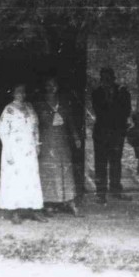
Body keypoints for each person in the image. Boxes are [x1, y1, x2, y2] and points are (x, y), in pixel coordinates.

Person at [0, 83, 47, 224]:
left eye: (24, 92)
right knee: (15, 180)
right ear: (13, 93)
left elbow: (35, 127)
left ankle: (35, 210)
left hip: (29, 149)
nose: (22, 94)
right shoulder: (8, 110)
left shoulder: (30, 107)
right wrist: (8, 152)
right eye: (18, 92)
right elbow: (3, 133)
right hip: (14, 149)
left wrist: (37, 144)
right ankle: (15, 212)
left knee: (31, 179)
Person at [37, 77, 83, 217]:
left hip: (62, 142)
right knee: (49, 171)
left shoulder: (63, 103)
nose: (51, 88)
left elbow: (70, 122)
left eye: (54, 85)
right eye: (48, 85)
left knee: (65, 170)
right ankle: (49, 203)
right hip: (47, 142)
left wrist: (75, 137)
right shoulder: (41, 105)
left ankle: (70, 202)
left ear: (58, 87)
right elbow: (37, 124)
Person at [91, 67, 132, 204]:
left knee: (116, 162)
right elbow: (99, 111)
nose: (106, 82)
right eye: (104, 79)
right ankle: (101, 193)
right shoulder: (96, 93)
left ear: (113, 79)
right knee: (100, 163)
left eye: (109, 79)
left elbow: (127, 110)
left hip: (116, 132)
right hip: (101, 133)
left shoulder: (123, 92)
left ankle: (115, 190)